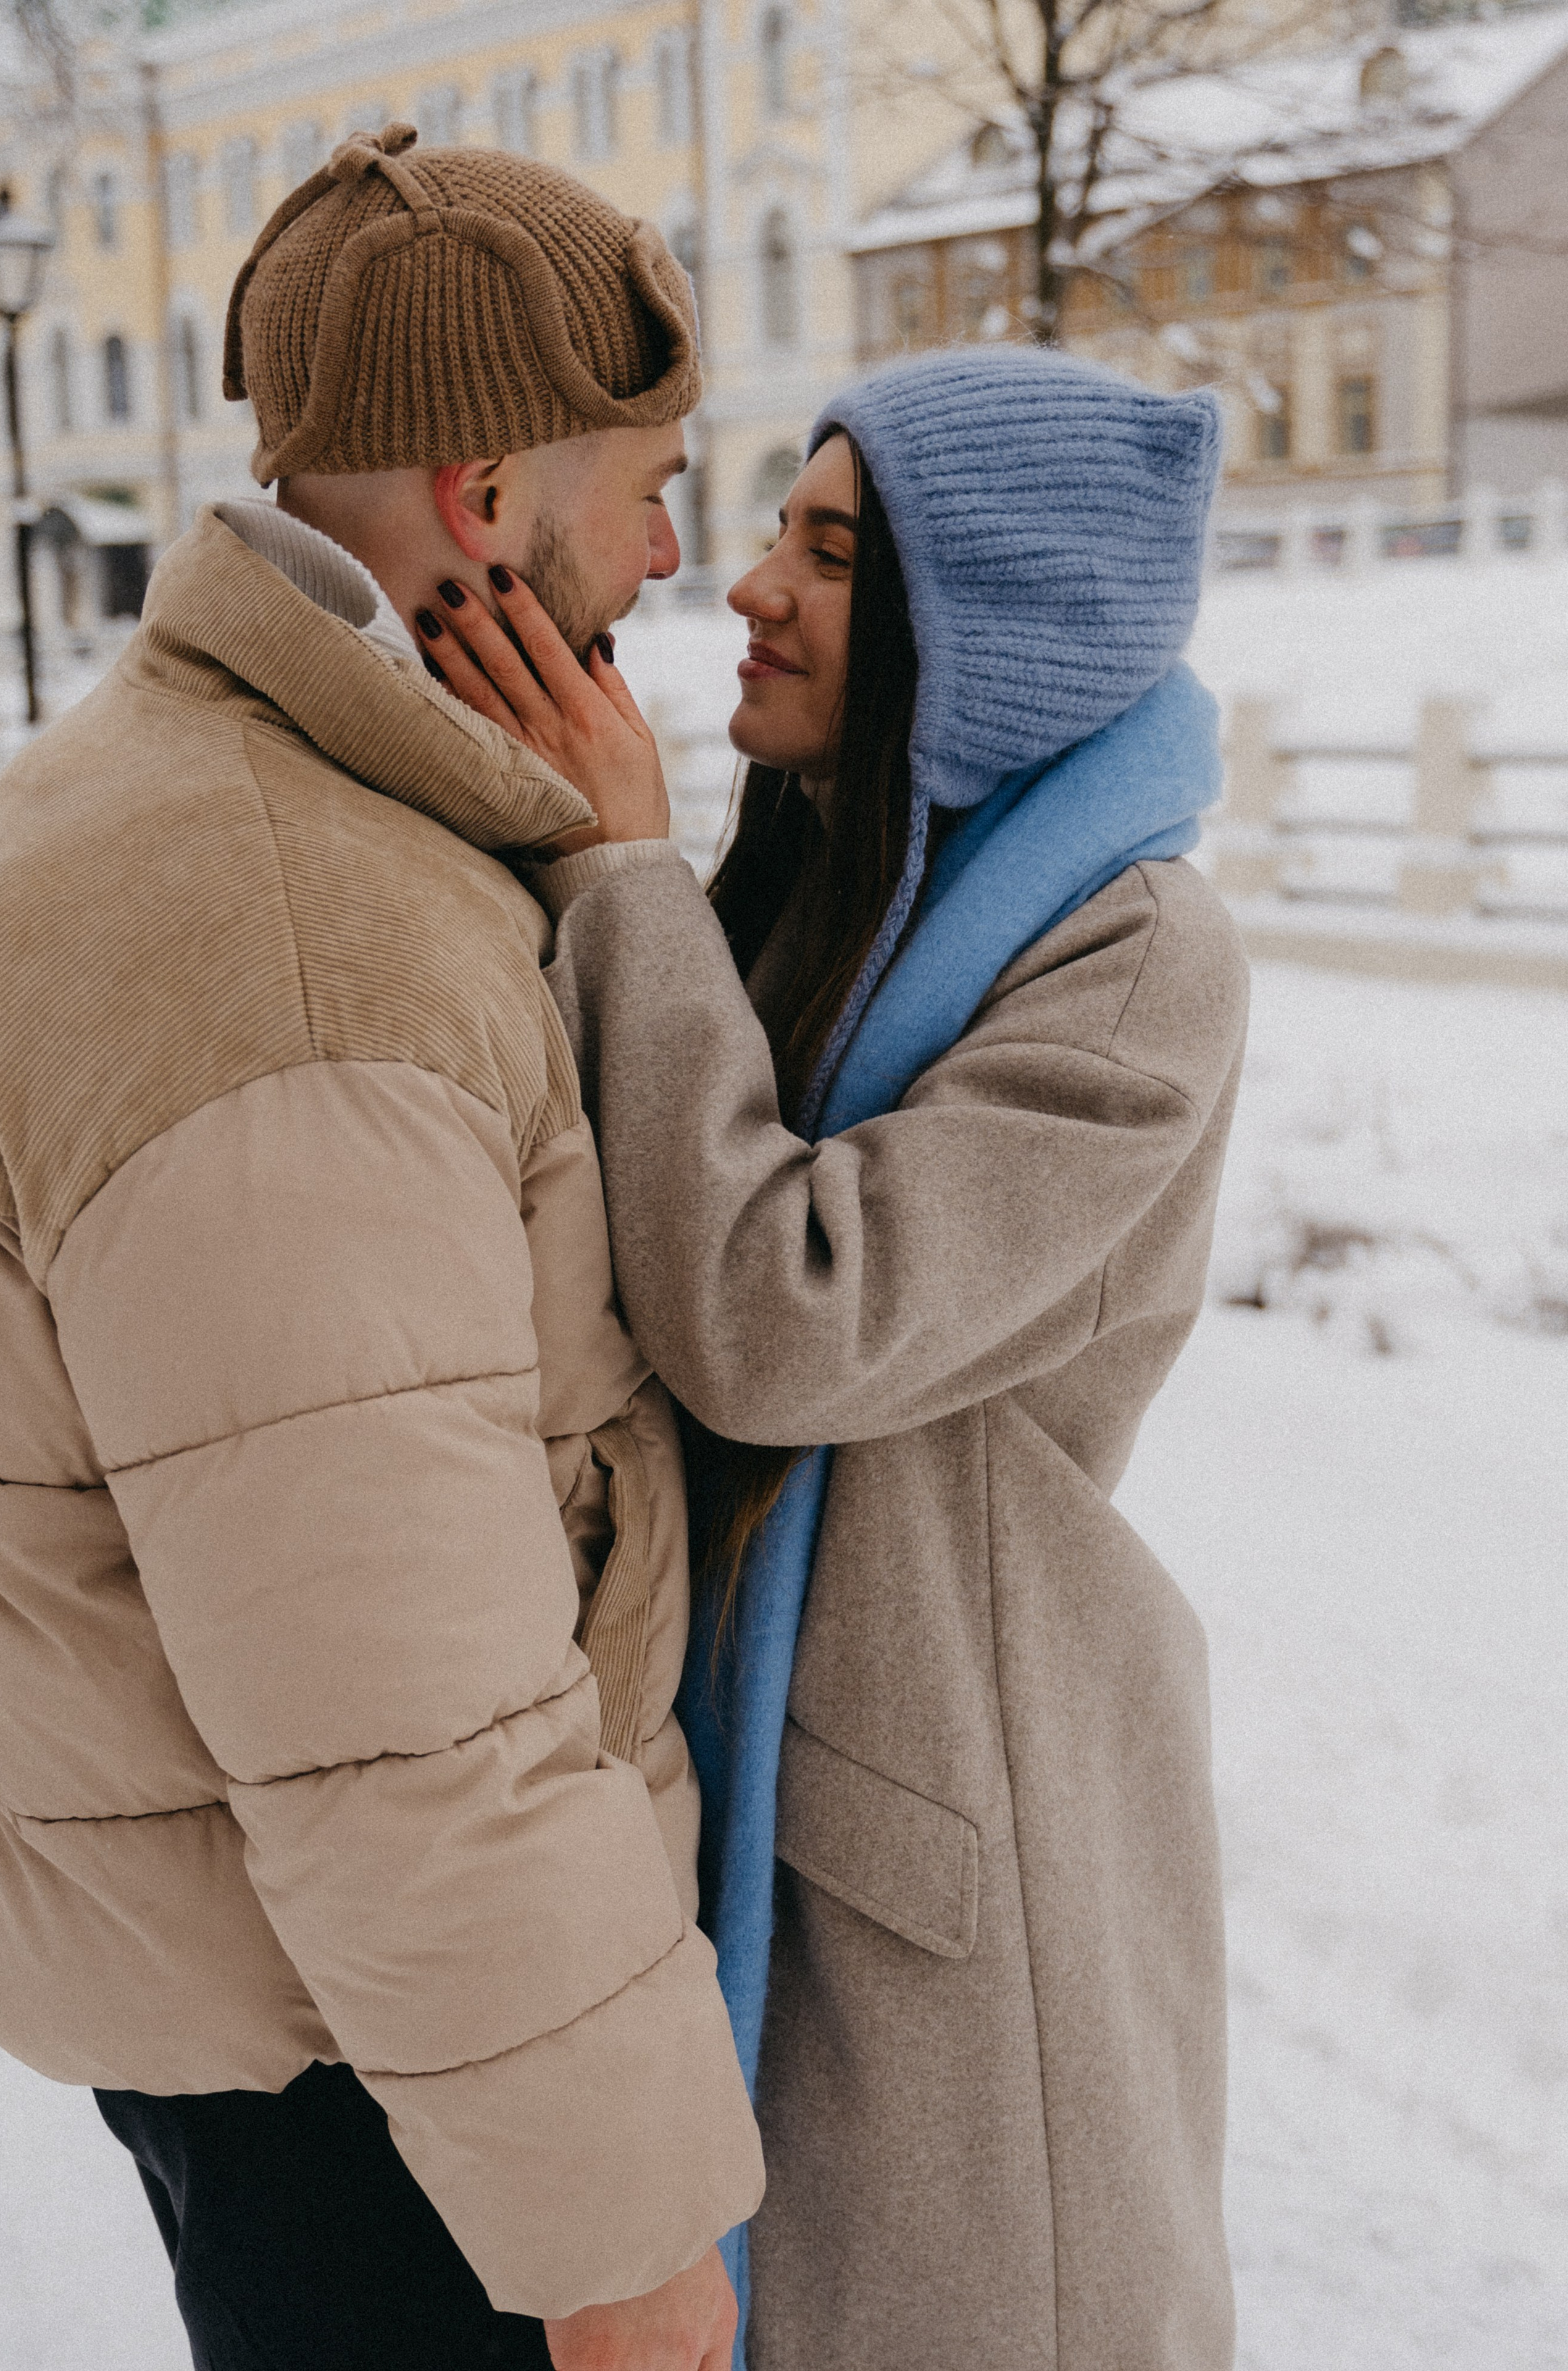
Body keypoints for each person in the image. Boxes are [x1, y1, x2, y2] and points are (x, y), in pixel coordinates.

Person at [0, 126, 762, 2371]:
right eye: (650, 480)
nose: (676, 547)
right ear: (489, 498)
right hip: (392, 2092)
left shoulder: (212, 795)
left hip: (320, 2036)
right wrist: (624, 2268)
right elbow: (399, 1726)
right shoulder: (300, 941)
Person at [414, 343, 1251, 2371]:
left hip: (971, 1812)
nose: (751, 587)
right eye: (777, 526)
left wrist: (620, 877)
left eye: (832, 549)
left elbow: (789, 1315)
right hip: (784, 1769)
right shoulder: (832, 877)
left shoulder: (1137, 962)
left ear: (997, 635)